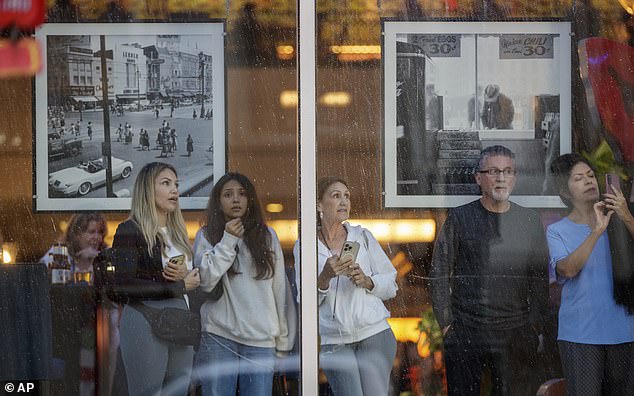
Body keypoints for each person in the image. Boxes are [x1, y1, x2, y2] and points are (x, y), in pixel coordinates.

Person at [429, 145, 549, 396]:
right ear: (478, 177)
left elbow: (539, 278)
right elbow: (439, 271)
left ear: (515, 178)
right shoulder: (460, 218)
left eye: (508, 171)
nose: (501, 177)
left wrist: (534, 326)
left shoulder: (528, 220)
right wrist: (447, 324)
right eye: (494, 171)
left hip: (515, 330)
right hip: (466, 329)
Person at [293, 176, 398, 396]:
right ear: (318, 205)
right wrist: (325, 277)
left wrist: (367, 281)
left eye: (347, 196)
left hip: (374, 334)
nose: (344, 202)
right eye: (336, 196)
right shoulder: (305, 246)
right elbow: (304, 301)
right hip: (334, 341)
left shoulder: (363, 236)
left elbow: (391, 284)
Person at [193, 173, 293, 396]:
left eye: (242, 194)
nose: (236, 199)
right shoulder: (206, 235)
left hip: (262, 341)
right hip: (220, 335)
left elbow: (279, 290)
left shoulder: (267, 236)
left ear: (250, 200)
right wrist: (228, 240)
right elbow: (206, 282)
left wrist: (283, 341)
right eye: (228, 195)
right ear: (218, 201)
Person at [546, 153, 634, 395]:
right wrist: (597, 230)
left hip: (624, 331)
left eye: (590, 175)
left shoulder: (621, 223)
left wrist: (625, 215)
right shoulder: (557, 230)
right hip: (580, 335)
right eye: (578, 178)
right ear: (565, 191)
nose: (588, 181)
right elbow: (568, 269)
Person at [111, 162, 200, 395]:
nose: (175, 190)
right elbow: (124, 286)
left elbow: (191, 288)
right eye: (166, 183)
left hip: (180, 322)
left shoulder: (179, 235)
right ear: (147, 190)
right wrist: (179, 286)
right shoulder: (130, 230)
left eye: (176, 185)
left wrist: (190, 281)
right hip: (145, 319)